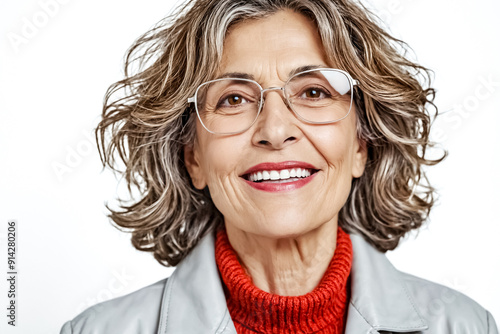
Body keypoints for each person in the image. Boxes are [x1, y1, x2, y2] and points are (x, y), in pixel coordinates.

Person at [60, 0, 498, 333]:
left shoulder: (467, 325)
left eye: (313, 92)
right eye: (233, 98)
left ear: (362, 144)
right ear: (192, 157)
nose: (275, 129)